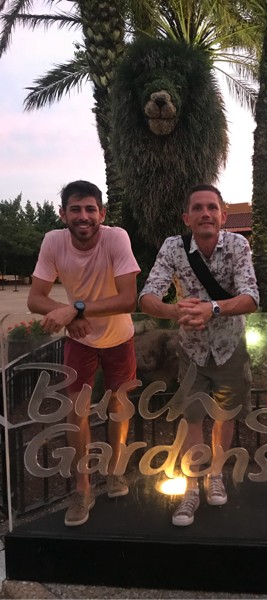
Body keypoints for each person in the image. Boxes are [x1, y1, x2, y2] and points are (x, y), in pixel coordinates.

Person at [139, 183, 259, 527]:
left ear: (223, 215)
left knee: (224, 416)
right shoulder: (173, 247)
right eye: (198, 208)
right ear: (187, 218)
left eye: (211, 207)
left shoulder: (238, 245)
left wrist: (212, 308)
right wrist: (175, 312)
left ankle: (215, 474)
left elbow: (251, 297)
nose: (205, 213)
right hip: (191, 350)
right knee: (192, 418)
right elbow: (148, 296)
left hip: (229, 347)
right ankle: (191, 485)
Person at [27, 180, 140, 527]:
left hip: (119, 336)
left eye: (90, 209)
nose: (83, 216)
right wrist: (72, 317)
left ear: (102, 214)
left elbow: (128, 299)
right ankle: (82, 487)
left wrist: (75, 309)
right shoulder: (53, 241)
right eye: (75, 209)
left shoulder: (116, 238)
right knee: (77, 412)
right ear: (62, 214)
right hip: (81, 339)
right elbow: (35, 298)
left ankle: (115, 471)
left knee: (119, 406)